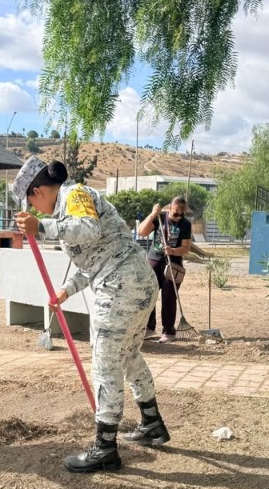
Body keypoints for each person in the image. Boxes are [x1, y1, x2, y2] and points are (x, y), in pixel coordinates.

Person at [13, 157, 173, 472]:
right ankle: (152, 422)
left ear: (39, 190)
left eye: (30, 200)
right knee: (127, 358)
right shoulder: (67, 207)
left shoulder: (74, 195)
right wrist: (67, 290)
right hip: (133, 283)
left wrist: (41, 227)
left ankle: (105, 448)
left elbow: (88, 230)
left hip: (120, 288)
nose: (31, 208)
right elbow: (95, 259)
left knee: (105, 365)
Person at [138, 196, 193, 343]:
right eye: (176, 213)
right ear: (169, 209)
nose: (178, 217)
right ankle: (149, 328)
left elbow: (186, 248)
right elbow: (141, 232)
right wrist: (152, 215)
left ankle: (169, 330)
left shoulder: (186, 224)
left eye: (182, 214)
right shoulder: (160, 218)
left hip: (173, 264)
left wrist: (173, 251)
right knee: (149, 293)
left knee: (169, 297)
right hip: (154, 259)